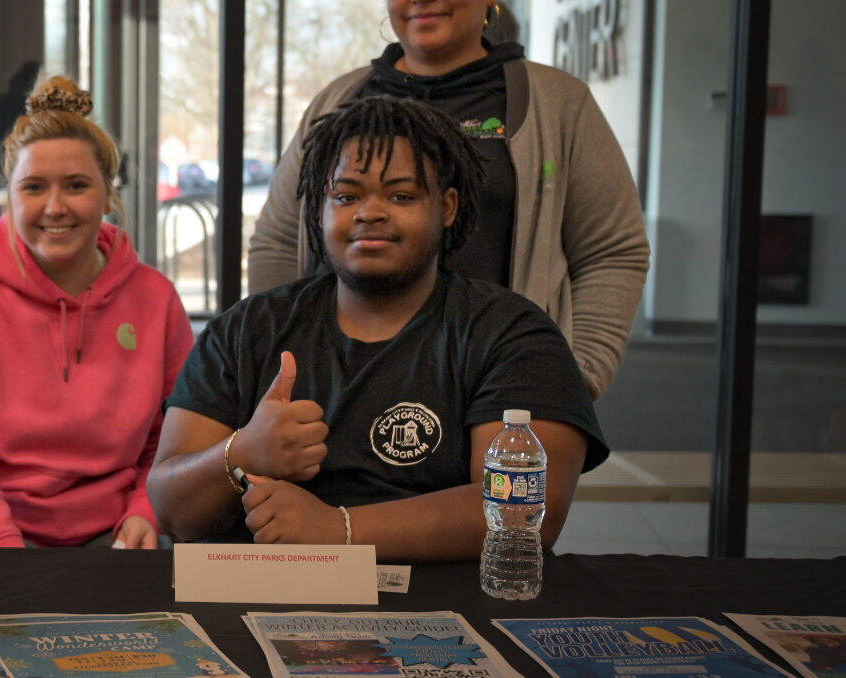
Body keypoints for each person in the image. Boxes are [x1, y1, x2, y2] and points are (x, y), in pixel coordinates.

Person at [149, 96, 607, 562]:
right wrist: (241, 452)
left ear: (447, 206)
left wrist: (337, 530)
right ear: (320, 209)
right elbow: (171, 508)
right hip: (257, 596)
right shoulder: (246, 330)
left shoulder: (512, 335)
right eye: (346, 196)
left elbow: (524, 512)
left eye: (401, 196)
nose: (370, 212)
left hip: (445, 607)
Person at [247, 0, 649, 400]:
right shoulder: (336, 100)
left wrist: (573, 379)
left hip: (492, 390)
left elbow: (612, 251)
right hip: (335, 391)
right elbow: (280, 241)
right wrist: (281, 369)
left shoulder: (557, 103)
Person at [0, 76, 194, 549]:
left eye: (77, 186)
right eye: (35, 187)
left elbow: (173, 441)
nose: (55, 207)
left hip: (123, 537)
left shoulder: (156, 298)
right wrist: (4, 553)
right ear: (12, 197)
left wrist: (146, 512)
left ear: (107, 195)